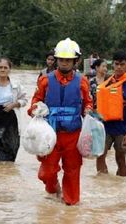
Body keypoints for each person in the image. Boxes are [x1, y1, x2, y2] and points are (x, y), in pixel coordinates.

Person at [27, 38, 93, 205]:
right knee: (46, 173)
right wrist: (36, 108)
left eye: (68, 60)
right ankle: (53, 188)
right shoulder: (45, 80)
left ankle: (71, 205)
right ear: (56, 60)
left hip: (73, 135)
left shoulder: (82, 81)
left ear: (75, 61)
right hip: (50, 135)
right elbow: (34, 102)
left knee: (72, 171)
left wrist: (88, 111)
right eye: (61, 59)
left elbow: (89, 103)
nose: (64, 63)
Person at [95, 50, 126, 176]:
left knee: (120, 159)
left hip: (123, 129)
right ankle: (103, 184)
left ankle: (121, 185)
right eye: (116, 64)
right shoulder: (108, 82)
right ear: (113, 65)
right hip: (105, 127)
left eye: (122, 64)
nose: (119, 67)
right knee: (100, 155)